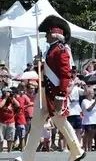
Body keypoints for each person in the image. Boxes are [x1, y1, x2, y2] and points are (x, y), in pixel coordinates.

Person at [15, 15, 85, 161]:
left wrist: (60, 96)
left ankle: (77, 151)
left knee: (61, 123)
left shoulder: (61, 50)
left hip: (54, 94)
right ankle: (27, 157)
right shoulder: (50, 50)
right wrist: (38, 63)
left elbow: (65, 75)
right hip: (45, 92)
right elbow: (44, 73)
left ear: (54, 34)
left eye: (47, 33)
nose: (45, 36)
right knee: (36, 125)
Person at [0, 87, 19, 152]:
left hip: (11, 122)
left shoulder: (12, 100)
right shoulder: (1, 99)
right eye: (7, 92)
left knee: (10, 138)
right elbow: (0, 105)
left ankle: (9, 151)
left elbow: (18, 105)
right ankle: (0, 152)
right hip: (2, 122)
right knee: (1, 139)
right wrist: (5, 98)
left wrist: (12, 97)